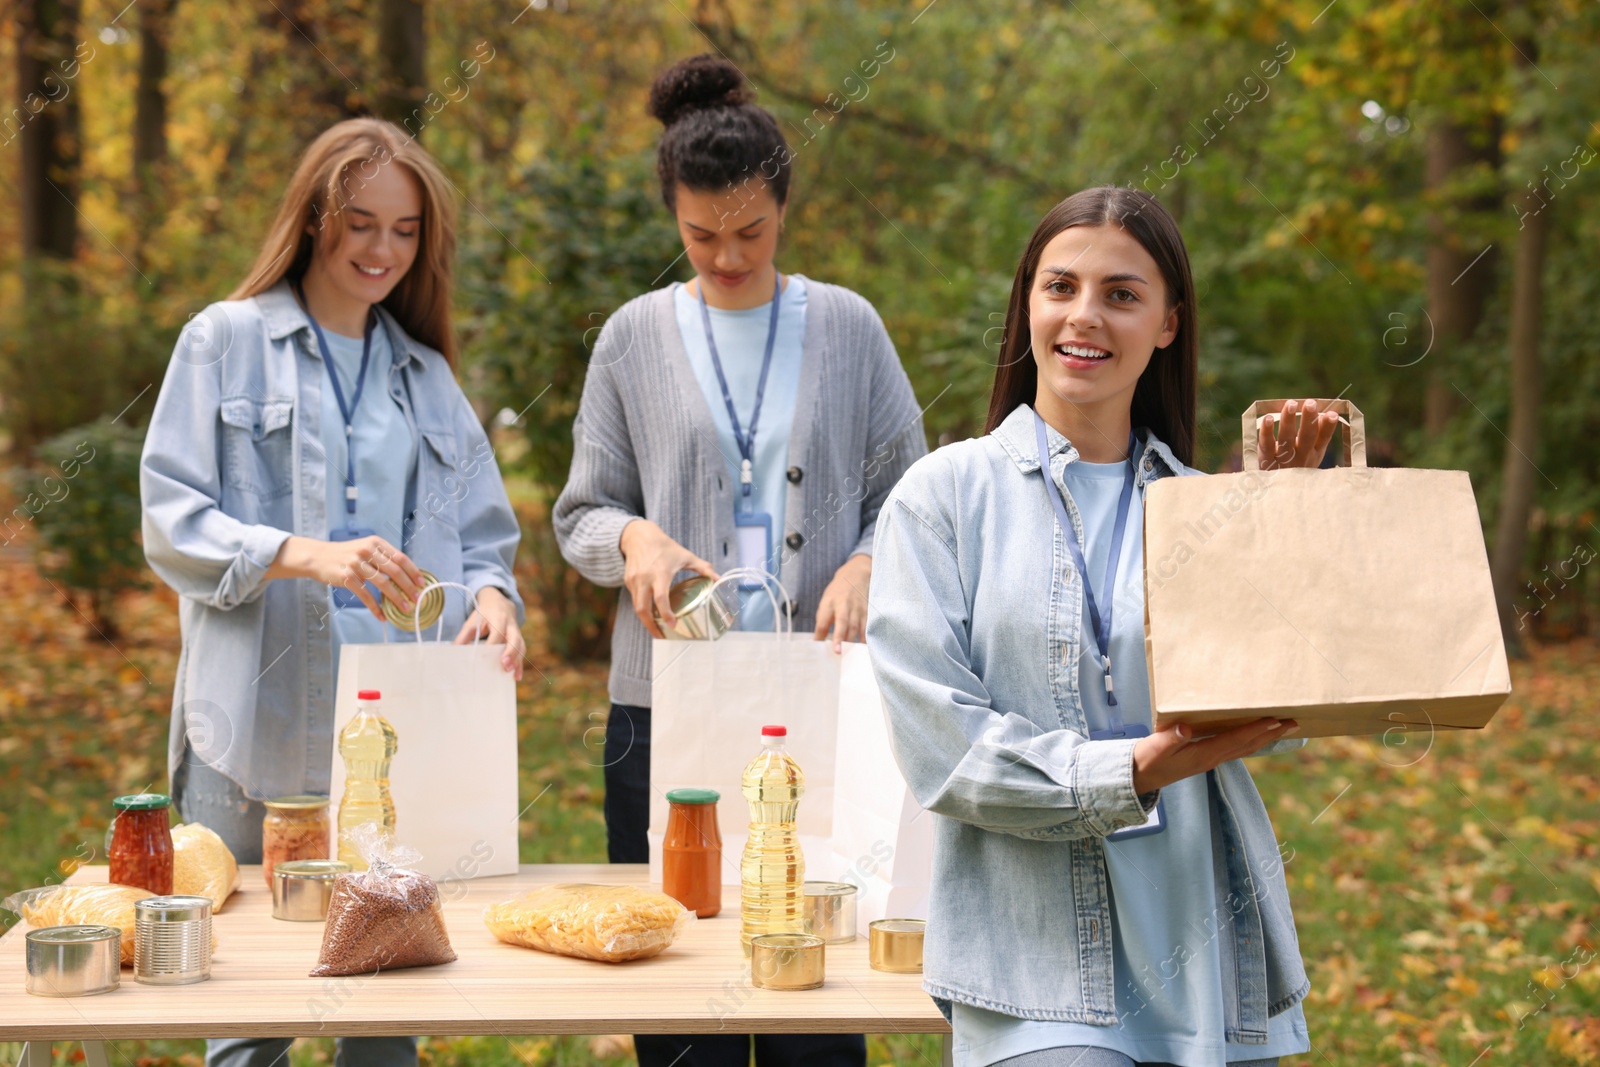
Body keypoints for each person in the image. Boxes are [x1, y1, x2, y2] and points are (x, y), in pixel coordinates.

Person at [866, 185, 1341, 1067]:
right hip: (1035, 966)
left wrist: (1279, 524)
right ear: (1029, 304)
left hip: (1206, 955)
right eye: (1061, 287)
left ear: (1166, 323)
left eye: (1122, 294)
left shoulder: (1202, 506)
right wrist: (1130, 767)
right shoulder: (941, 497)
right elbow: (946, 751)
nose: (1085, 316)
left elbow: (1278, 715)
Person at [553, 54, 927, 1067]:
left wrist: (865, 561)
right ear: (674, 220)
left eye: (749, 234)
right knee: (681, 1000)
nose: (726, 258)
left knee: (816, 993)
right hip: (660, 702)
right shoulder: (633, 337)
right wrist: (634, 538)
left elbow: (915, 492)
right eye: (700, 237)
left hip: (819, 691)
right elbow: (582, 510)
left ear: (783, 209)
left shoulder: (847, 325)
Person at [140, 118, 525, 1067]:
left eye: (404, 232)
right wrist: (299, 553)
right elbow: (168, 517)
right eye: (361, 224)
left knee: (386, 1009)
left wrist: (495, 598)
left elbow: (484, 537)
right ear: (314, 217)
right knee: (246, 1007)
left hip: (391, 741)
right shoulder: (222, 341)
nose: (382, 250)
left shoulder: (427, 377)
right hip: (248, 724)